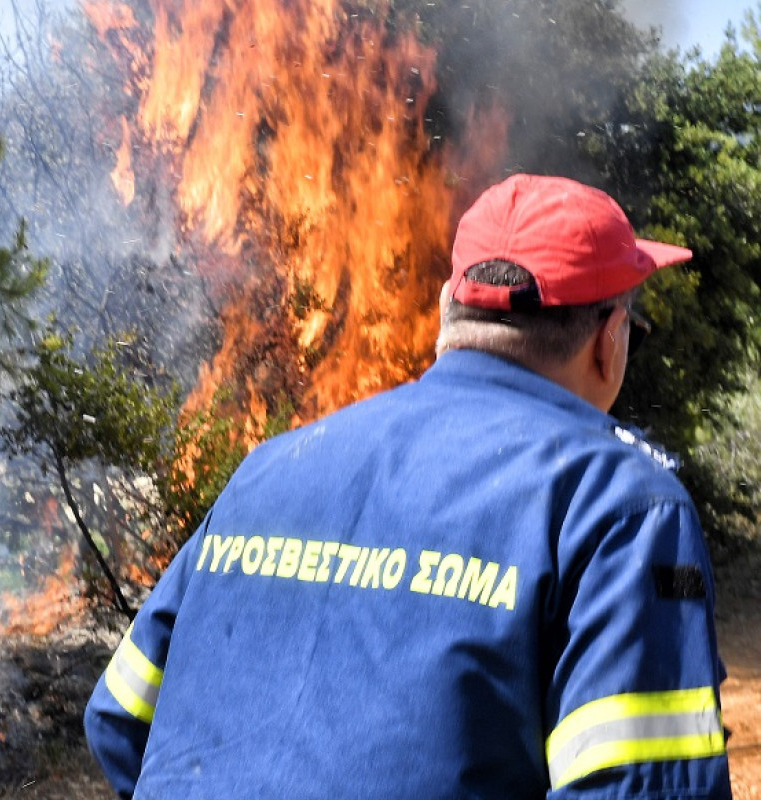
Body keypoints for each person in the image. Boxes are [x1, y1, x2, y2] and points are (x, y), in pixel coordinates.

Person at [84, 174, 730, 798]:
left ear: (449, 313)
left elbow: (119, 716)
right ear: (609, 340)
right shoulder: (617, 503)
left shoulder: (270, 467)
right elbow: (646, 790)